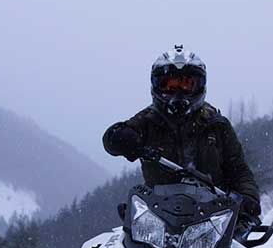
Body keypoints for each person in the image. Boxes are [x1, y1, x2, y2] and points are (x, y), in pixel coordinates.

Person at [103, 44, 261, 221]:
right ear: (157, 86)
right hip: (158, 218)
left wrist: (249, 198)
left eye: (186, 85)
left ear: (199, 86)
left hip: (214, 218)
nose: (178, 93)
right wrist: (121, 138)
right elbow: (111, 139)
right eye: (170, 85)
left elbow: (239, 171)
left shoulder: (217, 125)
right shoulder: (147, 120)